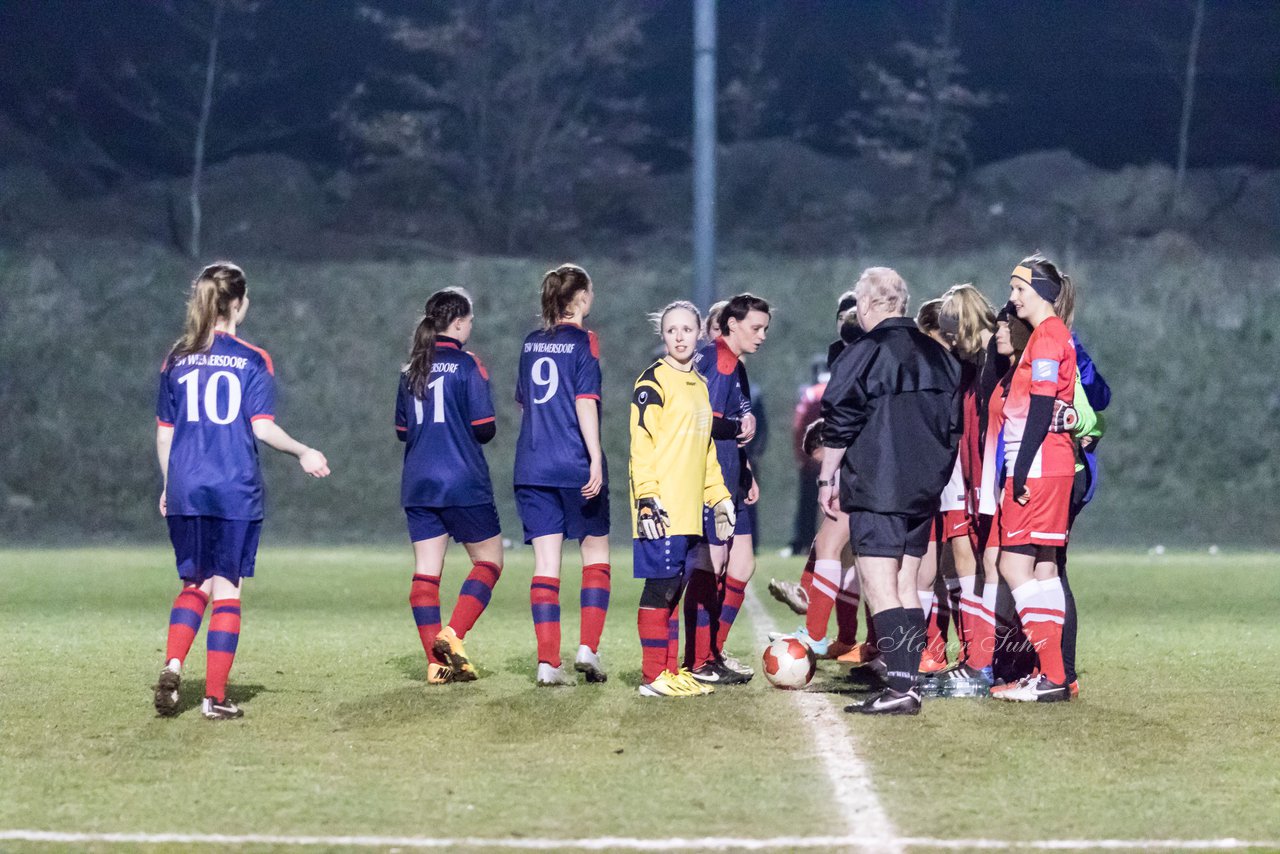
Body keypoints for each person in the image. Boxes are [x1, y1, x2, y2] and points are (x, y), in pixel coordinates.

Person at [154, 262, 331, 720]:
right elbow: (264, 428)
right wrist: (304, 451)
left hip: (188, 487)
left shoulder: (176, 357)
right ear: (236, 303)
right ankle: (214, 697)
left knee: (195, 583)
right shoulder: (253, 359)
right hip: (233, 487)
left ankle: (173, 665)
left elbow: (164, 434)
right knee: (227, 589)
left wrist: (169, 484)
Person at [817, 267, 961, 716]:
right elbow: (953, 425)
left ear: (870, 304)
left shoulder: (861, 354)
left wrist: (827, 478)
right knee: (907, 587)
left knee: (880, 587)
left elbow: (839, 419)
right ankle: (908, 684)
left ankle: (901, 689)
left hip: (879, 487)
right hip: (923, 490)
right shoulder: (940, 357)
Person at [630, 300, 736, 698]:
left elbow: (706, 452)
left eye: (686, 330)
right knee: (659, 589)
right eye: (671, 330)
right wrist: (647, 499)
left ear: (699, 335)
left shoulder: (700, 386)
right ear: (663, 335)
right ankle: (653, 675)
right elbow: (641, 447)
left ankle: (671, 671)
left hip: (691, 511)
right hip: (661, 509)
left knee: (674, 590)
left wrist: (720, 497)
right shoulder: (652, 382)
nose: (679, 337)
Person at [399, 287, 504, 685]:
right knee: (490, 561)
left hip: (419, 482)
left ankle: (436, 663)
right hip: (462, 481)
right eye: (470, 321)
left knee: (426, 574)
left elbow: (402, 430)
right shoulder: (468, 365)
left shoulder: (411, 369)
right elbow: (484, 429)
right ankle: (452, 634)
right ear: (459, 322)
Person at [513, 264, 610, 687]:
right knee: (595, 555)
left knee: (546, 565)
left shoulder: (531, 343)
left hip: (532, 466)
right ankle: (588, 647)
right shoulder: (585, 343)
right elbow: (585, 403)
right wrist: (594, 459)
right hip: (573, 463)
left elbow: (525, 404)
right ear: (582, 298)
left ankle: (547, 663)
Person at [991, 255, 1079, 703]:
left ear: (1041, 291)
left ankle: (1051, 675)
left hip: (1040, 466)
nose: (1012, 298)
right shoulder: (1050, 335)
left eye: (1019, 289)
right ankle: (1055, 676)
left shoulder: (1046, 337)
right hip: (1048, 462)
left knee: (1012, 565)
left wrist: (1020, 469)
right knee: (1043, 568)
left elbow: (1042, 407)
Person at [684, 293, 770, 685]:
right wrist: (738, 429)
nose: (763, 335)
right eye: (757, 327)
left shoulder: (733, 363)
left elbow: (734, 422)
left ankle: (712, 650)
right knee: (710, 565)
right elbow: (708, 423)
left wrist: (746, 471)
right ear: (731, 326)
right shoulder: (719, 362)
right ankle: (699, 658)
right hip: (712, 481)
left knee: (741, 564)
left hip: (731, 476)